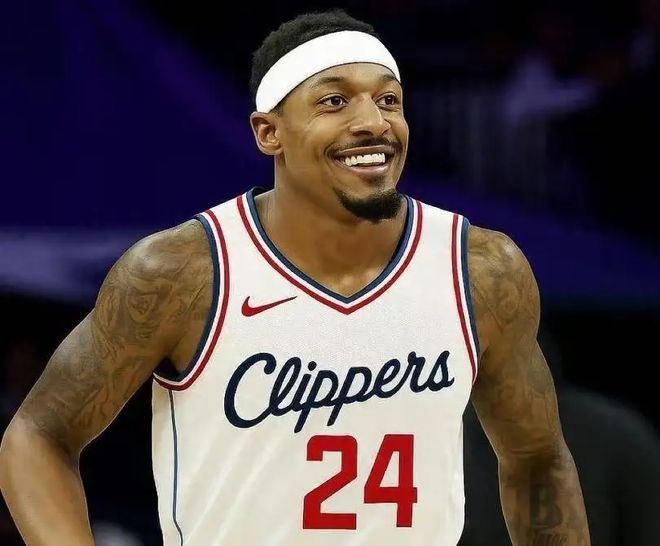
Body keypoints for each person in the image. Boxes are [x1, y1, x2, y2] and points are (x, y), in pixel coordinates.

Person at [0, 9, 591, 546]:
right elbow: (36, 436)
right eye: (334, 101)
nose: (372, 122)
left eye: (389, 100)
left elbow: (538, 460)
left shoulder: (481, 269)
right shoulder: (183, 272)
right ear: (269, 133)